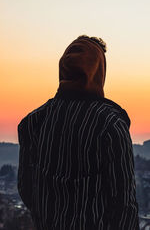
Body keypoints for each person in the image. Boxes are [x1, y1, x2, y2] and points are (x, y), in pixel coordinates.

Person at [17, 35, 140, 230]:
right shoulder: (110, 125)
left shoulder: (33, 122)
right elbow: (124, 204)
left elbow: (26, 188)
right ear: (98, 72)